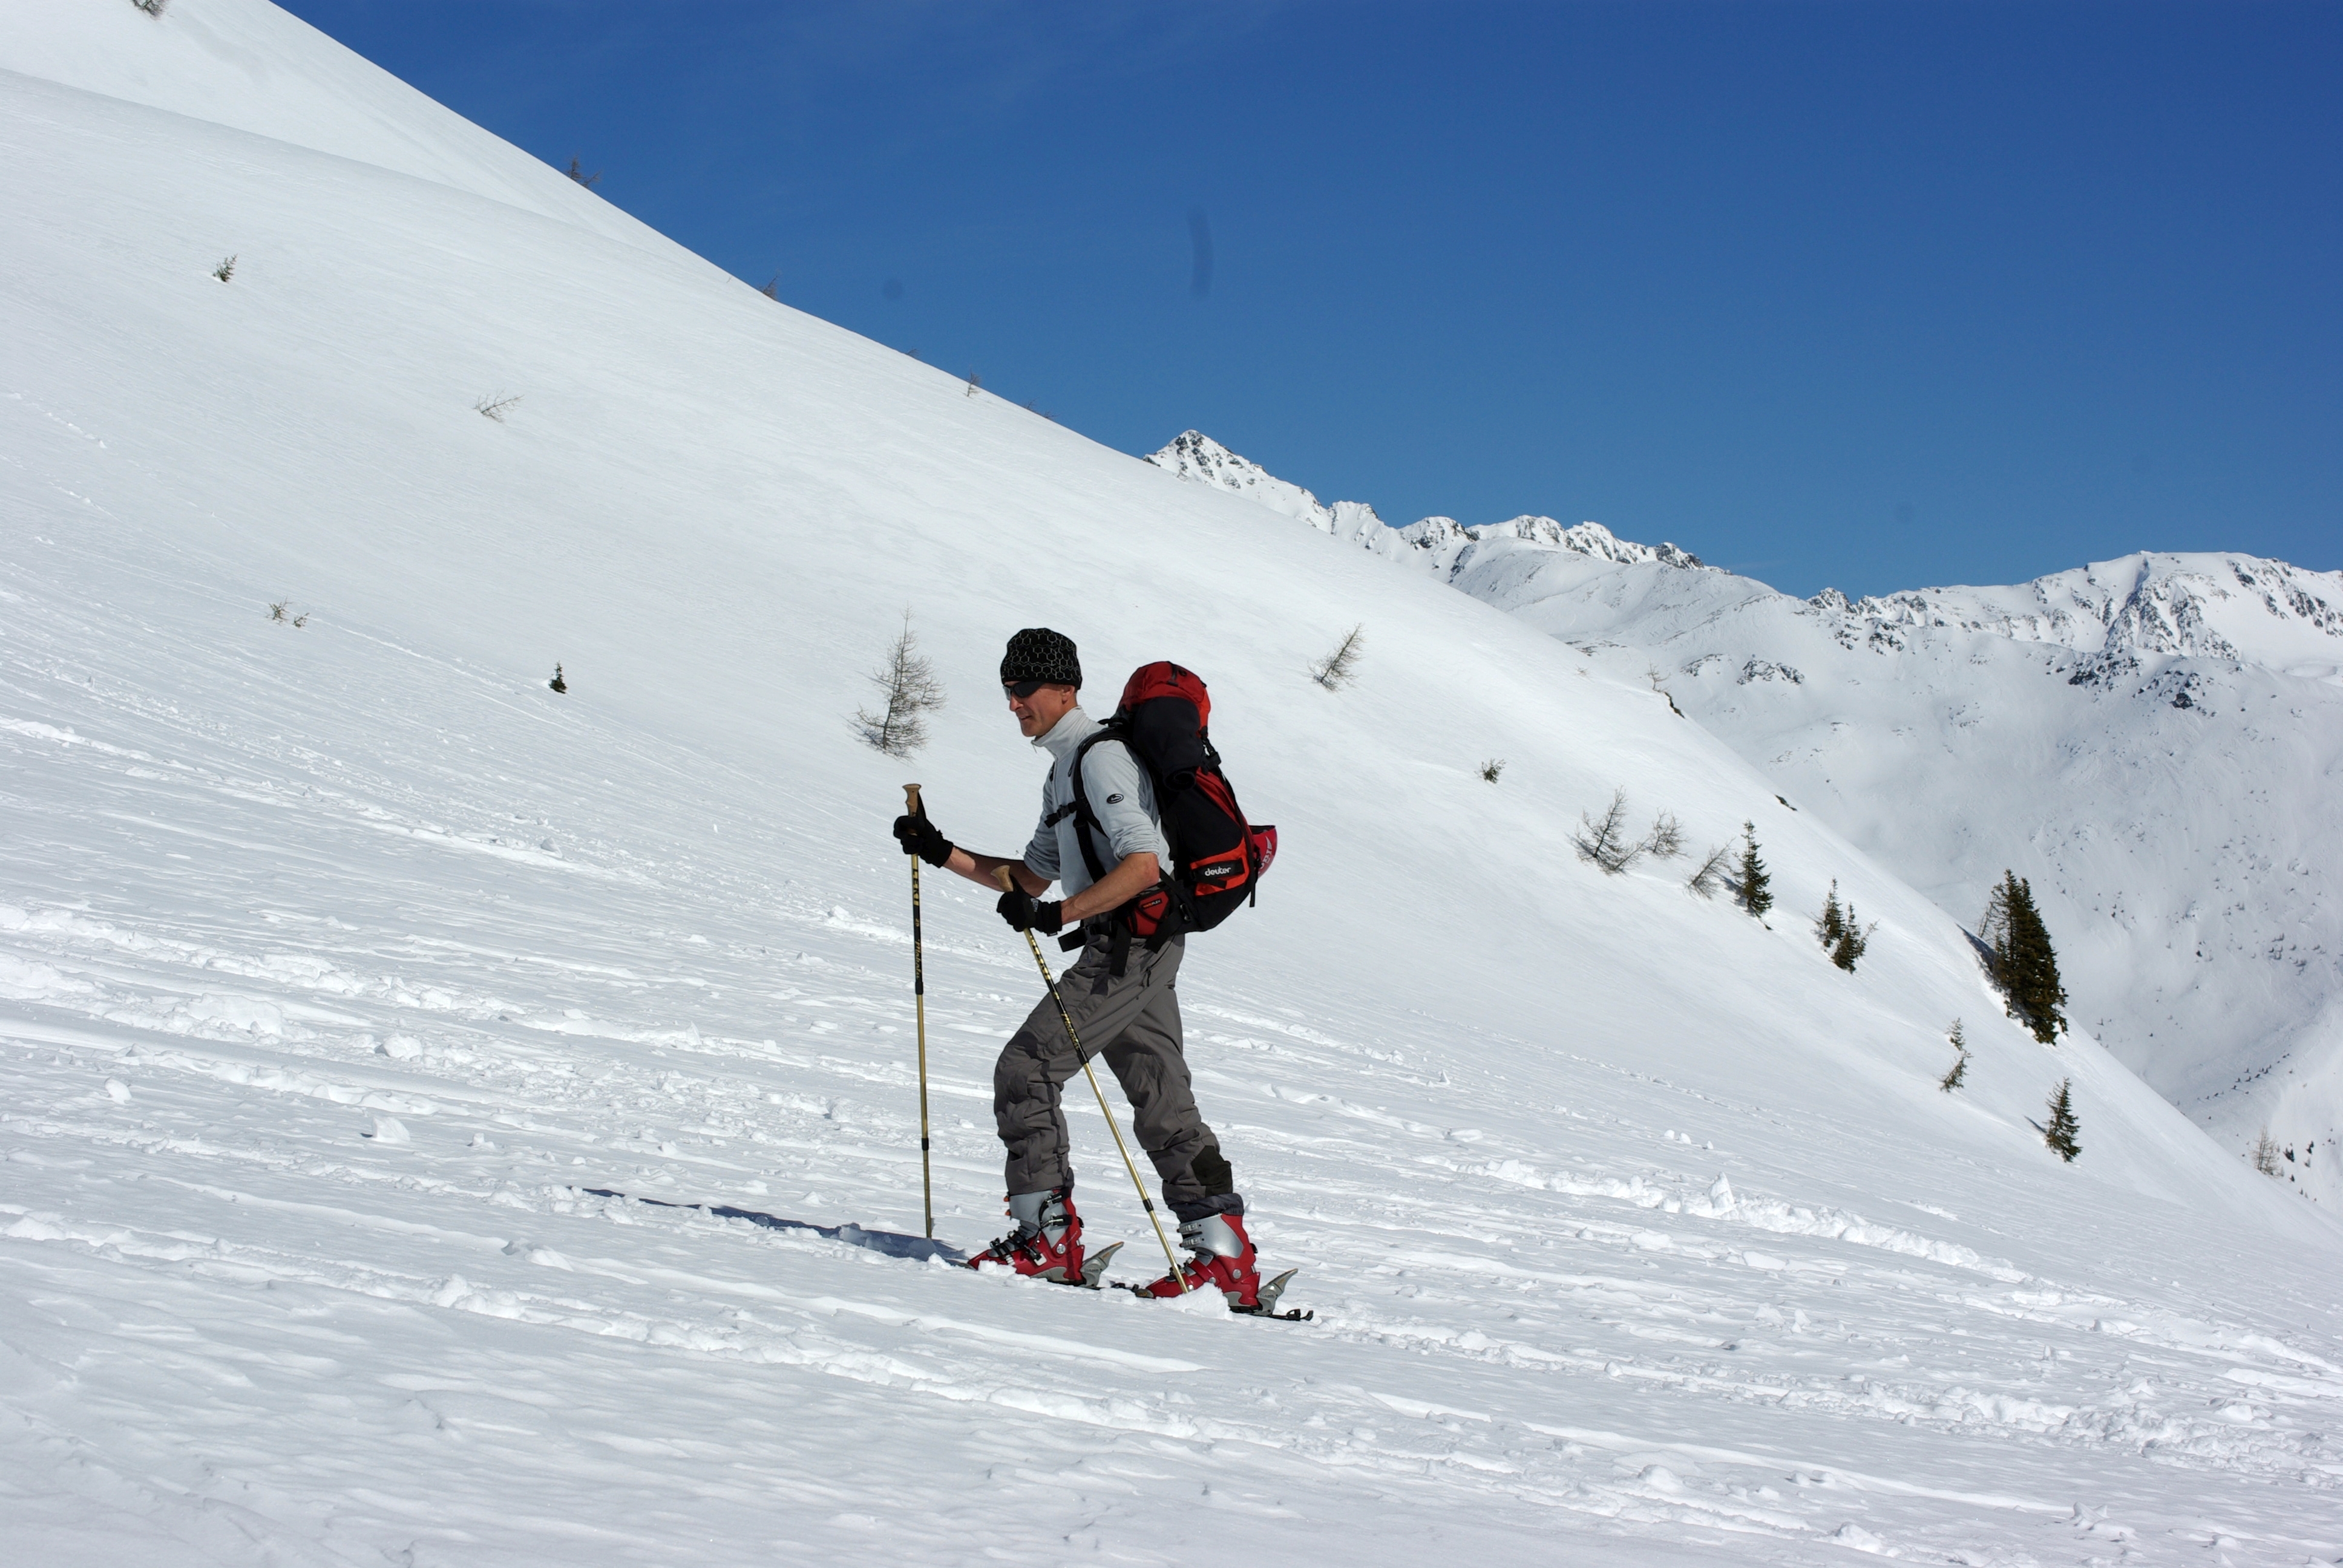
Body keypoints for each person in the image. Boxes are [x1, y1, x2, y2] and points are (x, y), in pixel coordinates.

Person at [892, 627, 1263, 1305]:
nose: (1013, 703)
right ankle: (1225, 1258)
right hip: (1134, 945)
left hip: (1128, 946)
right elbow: (1030, 878)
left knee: (1026, 1068)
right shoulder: (1063, 771)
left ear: (1065, 689)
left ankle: (1046, 1240)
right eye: (1007, 689)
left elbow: (1142, 866)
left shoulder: (1101, 760)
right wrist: (939, 851)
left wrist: (1059, 915)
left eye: (1023, 689)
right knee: (1161, 1099)